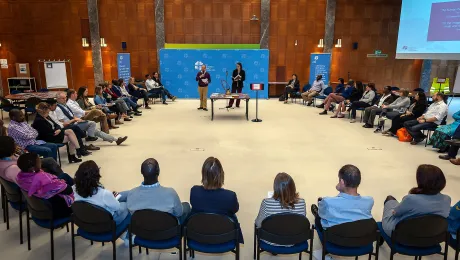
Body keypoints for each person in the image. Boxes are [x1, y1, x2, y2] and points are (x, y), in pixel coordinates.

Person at [381, 164, 451, 237]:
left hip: (403, 235)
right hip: (432, 236)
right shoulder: (447, 199)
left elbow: (396, 213)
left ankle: (381, 234)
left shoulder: (411, 199)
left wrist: (394, 210)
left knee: (389, 199)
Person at [118, 158, 190, 223]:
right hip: (167, 232)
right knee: (186, 206)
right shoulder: (171, 193)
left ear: (141, 172)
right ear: (158, 171)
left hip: (142, 232)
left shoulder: (132, 194)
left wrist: (116, 195)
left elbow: (120, 196)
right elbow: (179, 213)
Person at [190, 157, 242, 242]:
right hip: (224, 236)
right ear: (221, 175)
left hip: (199, 234)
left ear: (203, 174)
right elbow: (235, 210)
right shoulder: (230, 196)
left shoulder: (194, 191)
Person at [311, 165, 374, 230]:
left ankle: (316, 213)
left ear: (342, 182)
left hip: (335, 238)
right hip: (360, 236)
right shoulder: (369, 201)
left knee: (319, 218)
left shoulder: (327, 202)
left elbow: (321, 215)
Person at [55, 92, 128, 146]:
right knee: (92, 122)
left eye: (65, 98)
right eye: (63, 98)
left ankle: (116, 140)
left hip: (77, 120)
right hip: (71, 125)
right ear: (57, 99)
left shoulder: (65, 106)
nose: (65, 99)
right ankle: (90, 138)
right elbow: (62, 123)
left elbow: (73, 115)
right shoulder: (59, 108)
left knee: (96, 130)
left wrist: (77, 119)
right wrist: (75, 120)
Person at [16, 153, 74, 219]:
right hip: (56, 210)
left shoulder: (20, 177)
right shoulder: (43, 178)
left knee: (64, 176)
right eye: (39, 160)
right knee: (72, 187)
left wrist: (59, 181)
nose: (41, 161)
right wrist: (61, 182)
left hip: (39, 206)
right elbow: (68, 190)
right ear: (33, 167)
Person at [0, 136, 65, 184]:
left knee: (50, 161)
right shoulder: (12, 169)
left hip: (26, 165)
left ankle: (60, 180)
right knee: (58, 173)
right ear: (9, 147)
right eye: (14, 144)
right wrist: (41, 172)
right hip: (36, 187)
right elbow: (29, 182)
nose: (16, 145)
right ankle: (60, 181)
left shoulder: (4, 159)